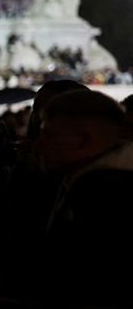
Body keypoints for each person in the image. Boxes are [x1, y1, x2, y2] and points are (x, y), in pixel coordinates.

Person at [25, 90, 133, 306]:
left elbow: (63, 280)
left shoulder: (102, 196)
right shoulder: (84, 180)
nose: (38, 145)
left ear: (84, 141)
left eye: (49, 135)